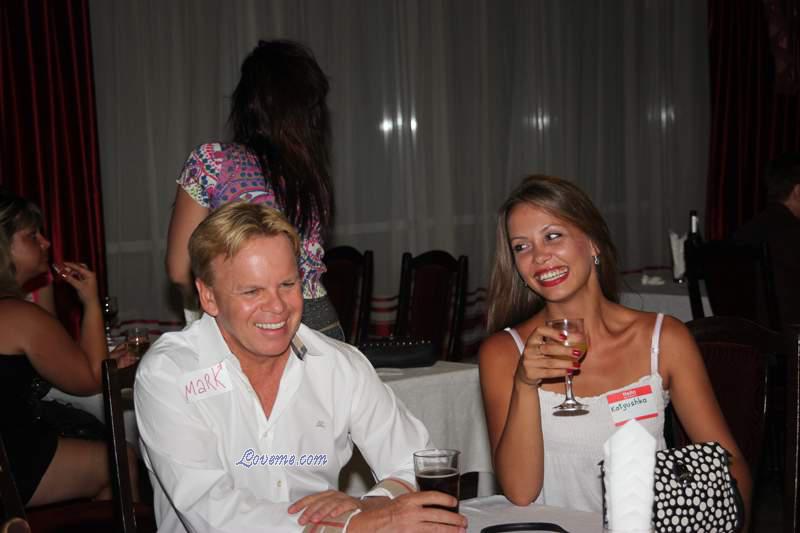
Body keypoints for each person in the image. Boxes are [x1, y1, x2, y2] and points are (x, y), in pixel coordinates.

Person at [137, 202, 468, 532]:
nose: (277, 307)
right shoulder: (170, 373)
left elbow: (416, 461)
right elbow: (212, 512)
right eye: (252, 291)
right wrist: (349, 527)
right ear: (208, 296)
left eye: (287, 284)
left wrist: (372, 505)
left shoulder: (337, 364)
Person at [478, 176, 750, 517]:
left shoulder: (664, 339)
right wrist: (524, 384)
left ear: (593, 243)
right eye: (522, 247)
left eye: (552, 236)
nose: (539, 256)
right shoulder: (503, 353)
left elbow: (728, 462)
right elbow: (521, 492)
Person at [166, 39, 343, 340]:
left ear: (247, 103)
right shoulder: (311, 178)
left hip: (251, 322)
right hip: (320, 326)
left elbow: (179, 269)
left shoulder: (211, 163)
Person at [0, 190, 138, 506]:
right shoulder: (20, 316)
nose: (46, 243)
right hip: (11, 465)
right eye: (32, 236)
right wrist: (90, 300)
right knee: (122, 461)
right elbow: (92, 379)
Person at [733, 152, 800, 327]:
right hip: (787, 338)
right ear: (798, 191)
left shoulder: (745, 232)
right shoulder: (792, 234)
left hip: (742, 336)